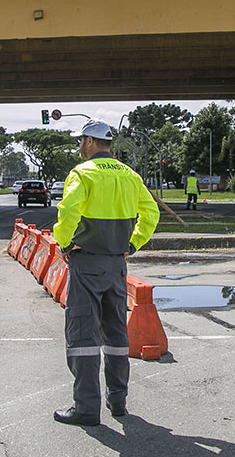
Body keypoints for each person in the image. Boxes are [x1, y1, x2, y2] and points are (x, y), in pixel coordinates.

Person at [52, 119, 160, 427]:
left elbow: (69, 210)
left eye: (80, 141)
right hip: (117, 264)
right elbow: (150, 213)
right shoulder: (129, 175)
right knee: (116, 333)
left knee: (83, 333)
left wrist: (64, 242)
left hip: (87, 262)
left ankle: (86, 408)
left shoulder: (82, 173)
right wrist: (133, 243)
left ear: (88, 142)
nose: (79, 146)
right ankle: (118, 401)